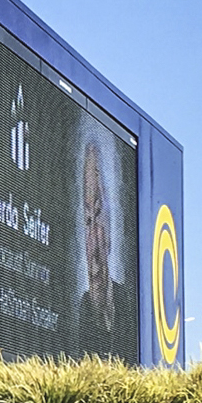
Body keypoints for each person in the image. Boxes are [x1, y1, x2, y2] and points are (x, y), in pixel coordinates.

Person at [76, 141, 124, 355]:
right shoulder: (83, 309)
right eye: (87, 221)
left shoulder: (129, 306)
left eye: (97, 216)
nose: (93, 239)